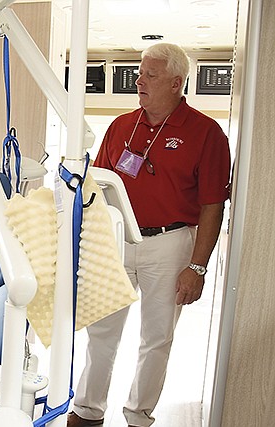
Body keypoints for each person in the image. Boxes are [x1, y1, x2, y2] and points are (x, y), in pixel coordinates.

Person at [68, 43, 231, 427]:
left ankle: (138, 416)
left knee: (156, 338)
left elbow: (213, 205)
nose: (139, 80)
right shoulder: (122, 126)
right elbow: (98, 187)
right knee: (101, 331)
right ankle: (87, 411)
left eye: (150, 75)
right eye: (140, 73)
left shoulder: (207, 134)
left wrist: (198, 266)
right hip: (119, 240)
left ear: (176, 83)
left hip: (171, 244)